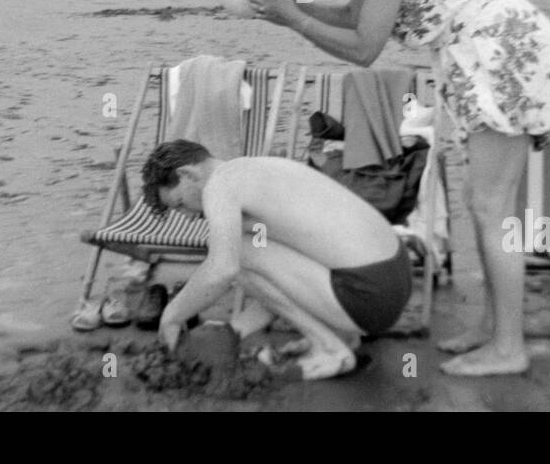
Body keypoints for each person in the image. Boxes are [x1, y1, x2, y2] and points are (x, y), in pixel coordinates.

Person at [245, 0, 550, 377]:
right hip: (498, 53)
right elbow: (355, 16)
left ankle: (510, 347)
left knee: (492, 211)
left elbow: (363, 49)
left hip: (498, 59)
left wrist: (294, 21)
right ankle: (494, 329)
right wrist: (292, 6)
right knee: (484, 205)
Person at [143, 140, 411, 380]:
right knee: (249, 248)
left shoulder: (220, 185)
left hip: (369, 296)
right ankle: (338, 335)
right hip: (393, 279)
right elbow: (275, 275)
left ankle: (331, 350)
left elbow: (223, 270)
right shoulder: (253, 169)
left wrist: (172, 316)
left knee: (233, 251)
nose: (187, 215)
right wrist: (235, 331)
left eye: (179, 204)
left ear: (187, 174)